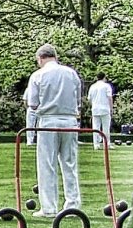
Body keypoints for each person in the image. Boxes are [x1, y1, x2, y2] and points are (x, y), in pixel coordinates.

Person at [27, 44, 83, 215]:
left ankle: (49, 207)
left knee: (47, 164)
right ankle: (72, 204)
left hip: (48, 121)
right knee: (69, 163)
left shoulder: (38, 75)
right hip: (69, 120)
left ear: (40, 58)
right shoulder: (71, 74)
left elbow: (33, 104)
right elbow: (79, 99)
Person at [88, 72, 115, 147]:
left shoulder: (92, 86)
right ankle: (107, 144)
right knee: (106, 128)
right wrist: (111, 108)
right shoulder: (106, 86)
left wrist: (93, 106)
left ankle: (96, 144)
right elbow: (110, 98)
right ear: (104, 77)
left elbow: (89, 99)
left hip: (95, 109)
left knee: (95, 127)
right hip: (105, 109)